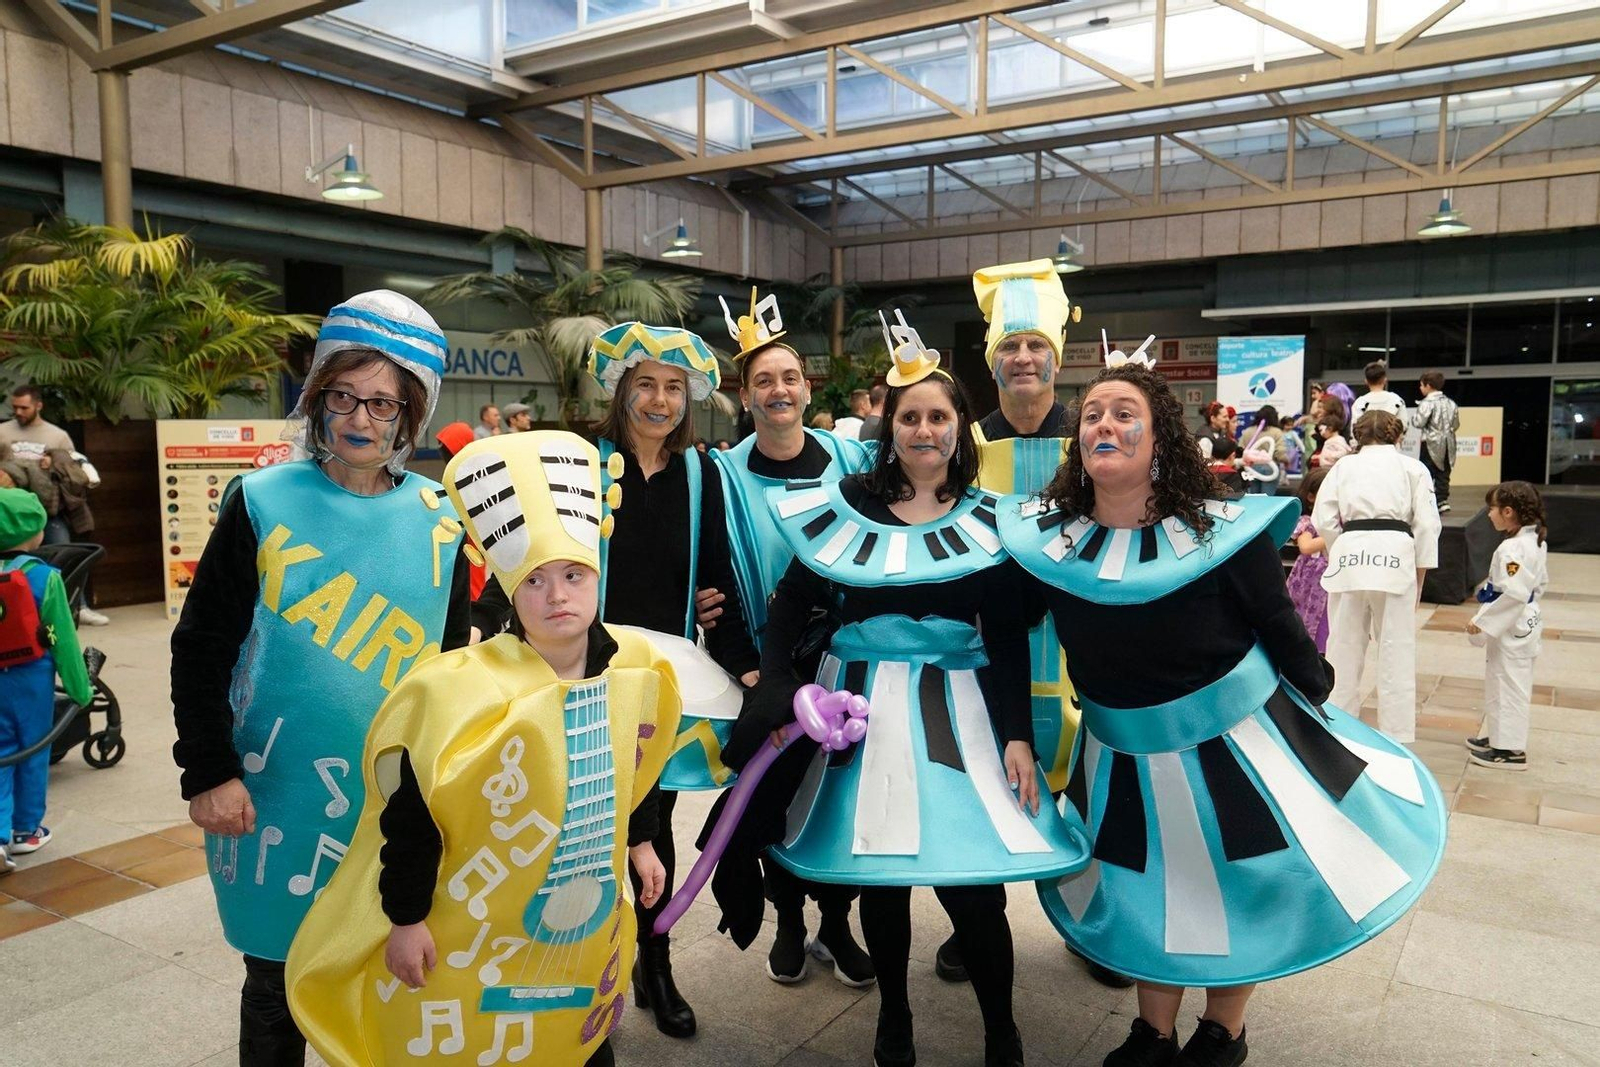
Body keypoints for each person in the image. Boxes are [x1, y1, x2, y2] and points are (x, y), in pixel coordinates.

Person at [1000, 350, 1446, 1067]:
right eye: (1091, 415)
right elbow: (1001, 630)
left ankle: (1224, 1031)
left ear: (1159, 437)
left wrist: (1317, 699)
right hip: (1118, 751)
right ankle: (1152, 1030)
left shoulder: (1216, 531)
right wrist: (1014, 730)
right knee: (1148, 887)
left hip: (1234, 745)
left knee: (1238, 882)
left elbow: (1278, 622)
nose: (1103, 425)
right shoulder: (1050, 541)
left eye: (1124, 413)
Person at [730, 328, 1089, 1067]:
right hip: (865, 718)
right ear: (888, 428)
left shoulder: (991, 515)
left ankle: (1003, 1031)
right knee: (883, 884)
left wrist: (1018, 734)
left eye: (938, 418)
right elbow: (791, 603)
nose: (924, 430)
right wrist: (774, 683)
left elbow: (1009, 634)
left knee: (977, 891)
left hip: (964, 719)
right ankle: (894, 1017)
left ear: (960, 430)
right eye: (910, 418)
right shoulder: (846, 503)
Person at [286, 430, 683, 1067]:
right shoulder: (462, 689)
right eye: (534, 581)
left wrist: (641, 839)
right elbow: (410, 820)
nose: (557, 596)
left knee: (580, 1042)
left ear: (597, 575)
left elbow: (636, 765)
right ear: (507, 591)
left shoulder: (634, 667)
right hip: (476, 924)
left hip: (584, 923)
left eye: (573, 575)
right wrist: (407, 917)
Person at [170, 290, 472, 1065]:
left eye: (383, 402)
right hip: (275, 797)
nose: (361, 419)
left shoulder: (443, 519)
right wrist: (208, 769)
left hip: (396, 803)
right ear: (317, 399)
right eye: (345, 394)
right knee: (275, 985)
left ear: (411, 414)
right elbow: (201, 645)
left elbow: (455, 669)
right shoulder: (262, 502)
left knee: (385, 980)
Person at [585, 320, 760, 1039]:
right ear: (621, 390)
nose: (659, 400)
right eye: (646, 384)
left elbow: (716, 571)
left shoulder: (702, 473)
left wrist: (745, 658)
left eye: (673, 388)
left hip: (663, 678)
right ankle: (592, 959)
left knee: (651, 816)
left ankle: (653, 959)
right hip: (587, 671)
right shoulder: (585, 462)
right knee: (595, 825)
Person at [963, 260, 1128, 988]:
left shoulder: (1094, 436)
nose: (1022, 358)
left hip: (1083, 638)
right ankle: (978, 926)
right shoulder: (962, 438)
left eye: (1036, 346)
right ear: (992, 357)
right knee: (984, 776)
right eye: (1010, 346)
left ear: (1057, 359)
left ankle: (1096, 929)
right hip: (984, 639)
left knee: (1097, 785)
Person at [704, 289, 874, 988]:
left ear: (807, 388)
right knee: (774, 787)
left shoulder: (848, 459)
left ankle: (837, 921)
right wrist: (747, 668)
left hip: (849, 655)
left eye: (789, 377)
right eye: (763, 381)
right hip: (769, 663)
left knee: (841, 793)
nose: (778, 390)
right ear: (746, 397)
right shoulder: (722, 475)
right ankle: (791, 921)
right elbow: (712, 572)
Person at [1313, 410, 1441, 745]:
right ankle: (1397, 737)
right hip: (1396, 555)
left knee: (1342, 646)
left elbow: (1323, 517)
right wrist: (1421, 576)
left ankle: (1339, 731)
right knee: (1397, 649)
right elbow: (1427, 525)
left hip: (1350, 552)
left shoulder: (1343, 466)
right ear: (1398, 436)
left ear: (1357, 435)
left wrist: (1338, 549)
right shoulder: (1413, 467)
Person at [0, 488, 92, 871]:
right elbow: (63, 640)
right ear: (36, 530)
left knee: (3, 753)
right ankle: (25, 831)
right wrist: (79, 688)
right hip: (31, 682)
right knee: (33, 749)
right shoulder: (44, 578)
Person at [1465, 482, 1549, 771]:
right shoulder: (1534, 540)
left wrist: (1484, 622)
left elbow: (1514, 593)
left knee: (1510, 684)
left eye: (1492, 509)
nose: (1489, 514)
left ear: (1509, 512)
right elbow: (1539, 583)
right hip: (1519, 620)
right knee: (1500, 681)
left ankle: (1511, 750)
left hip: (1513, 621)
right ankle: (1500, 738)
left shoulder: (1514, 548)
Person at [0, 385, 79, 546]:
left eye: (24, 408)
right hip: (8, 511)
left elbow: (73, 469)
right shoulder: (2, 431)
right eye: (15, 407)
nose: (19, 412)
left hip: (45, 511)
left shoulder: (58, 436)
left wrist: (54, 460)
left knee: (62, 551)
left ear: (39, 406)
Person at [1288, 466, 1332, 653]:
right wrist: (1333, 535)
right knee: (1309, 621)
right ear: (1311, 497)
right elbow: (1305, 547)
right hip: (1311, 584)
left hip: (1330, 581)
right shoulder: (1308, 521)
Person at [1412, 371, 1460, 512]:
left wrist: (1413, 419)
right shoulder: (1451, 403)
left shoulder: (1427, 403)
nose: (1420, 388)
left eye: (1421, 385)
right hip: (1449, 443)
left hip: (1430, 442)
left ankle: (1426, 500)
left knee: (1427, 471)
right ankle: (1442, 500)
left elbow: (1419, 422)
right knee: (1444, 471)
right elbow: (1456, 424)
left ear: (1428, 385)